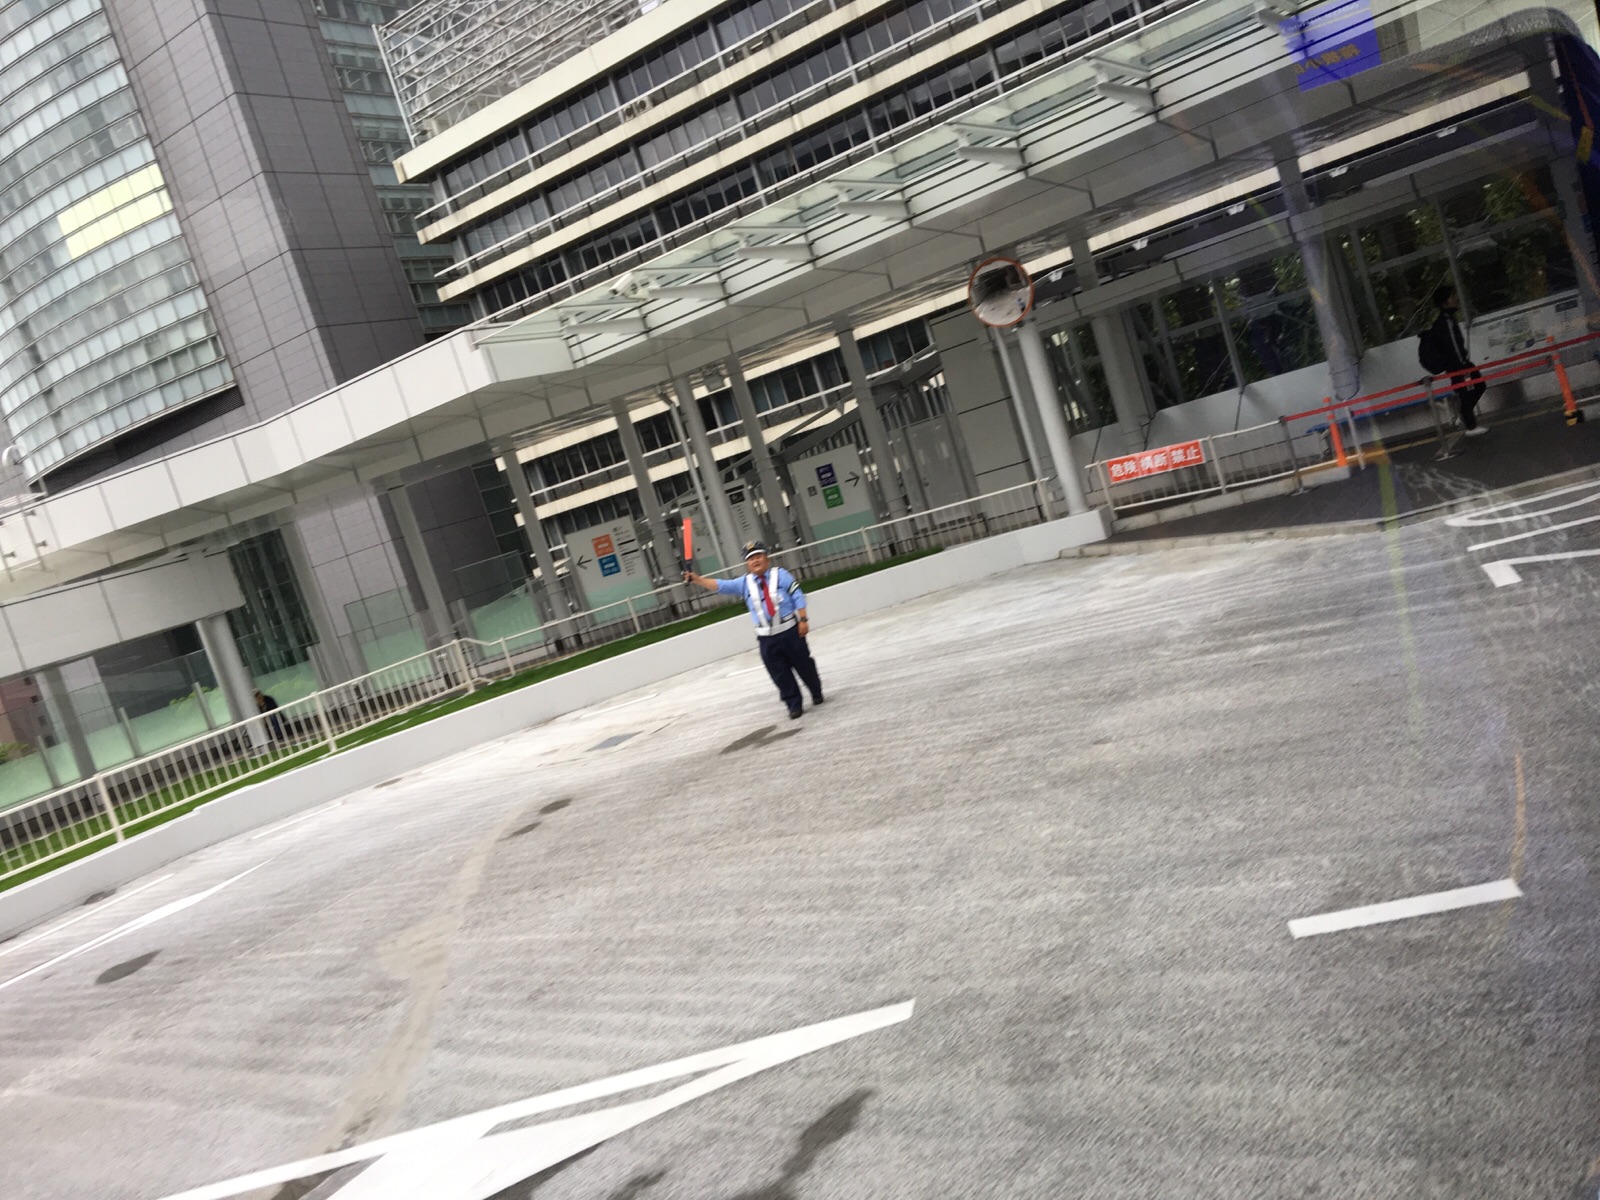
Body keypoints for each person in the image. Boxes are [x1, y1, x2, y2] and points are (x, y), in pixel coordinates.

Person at [684, 541, 823, 719]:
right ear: (747, 564)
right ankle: (793, 704)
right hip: (767, 638)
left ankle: (815, 690)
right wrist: (697, 580)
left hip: (790, 631)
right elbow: (721, 585)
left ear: (767, 559)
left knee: (804, 665)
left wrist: (803, 619)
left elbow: (797, 595)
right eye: (751, 558)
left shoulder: (781, 575)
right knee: (779, 673)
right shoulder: (744, 583)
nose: (755, 560)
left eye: (758, 556)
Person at [1421, 285, 1488, 436]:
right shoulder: (1447, 322)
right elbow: (1453, 345)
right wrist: (1462, 365)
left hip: (1455, 363)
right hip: (1457, 364)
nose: (1455, 298)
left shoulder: (1447, 319)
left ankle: (1464, 416)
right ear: (1445, 302)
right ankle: (1470, 426)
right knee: (1468, 391)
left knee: (1476, 387)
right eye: (1451, 297)